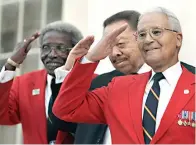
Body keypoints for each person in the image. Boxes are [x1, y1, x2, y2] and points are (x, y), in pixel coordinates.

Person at [53, 7, 195, 144]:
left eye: (156, 32)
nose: (148, 40)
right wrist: (89, 59)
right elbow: (66, 110)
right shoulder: (118, 86)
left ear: (178, 39)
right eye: (142, 35)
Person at [0, 21, 86, 144]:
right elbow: (3, 117)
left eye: (60, 48)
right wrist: (11, 64)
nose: (52, 55)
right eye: (46, 48)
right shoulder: (24, 83)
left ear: (76, 51)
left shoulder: (94, 82)